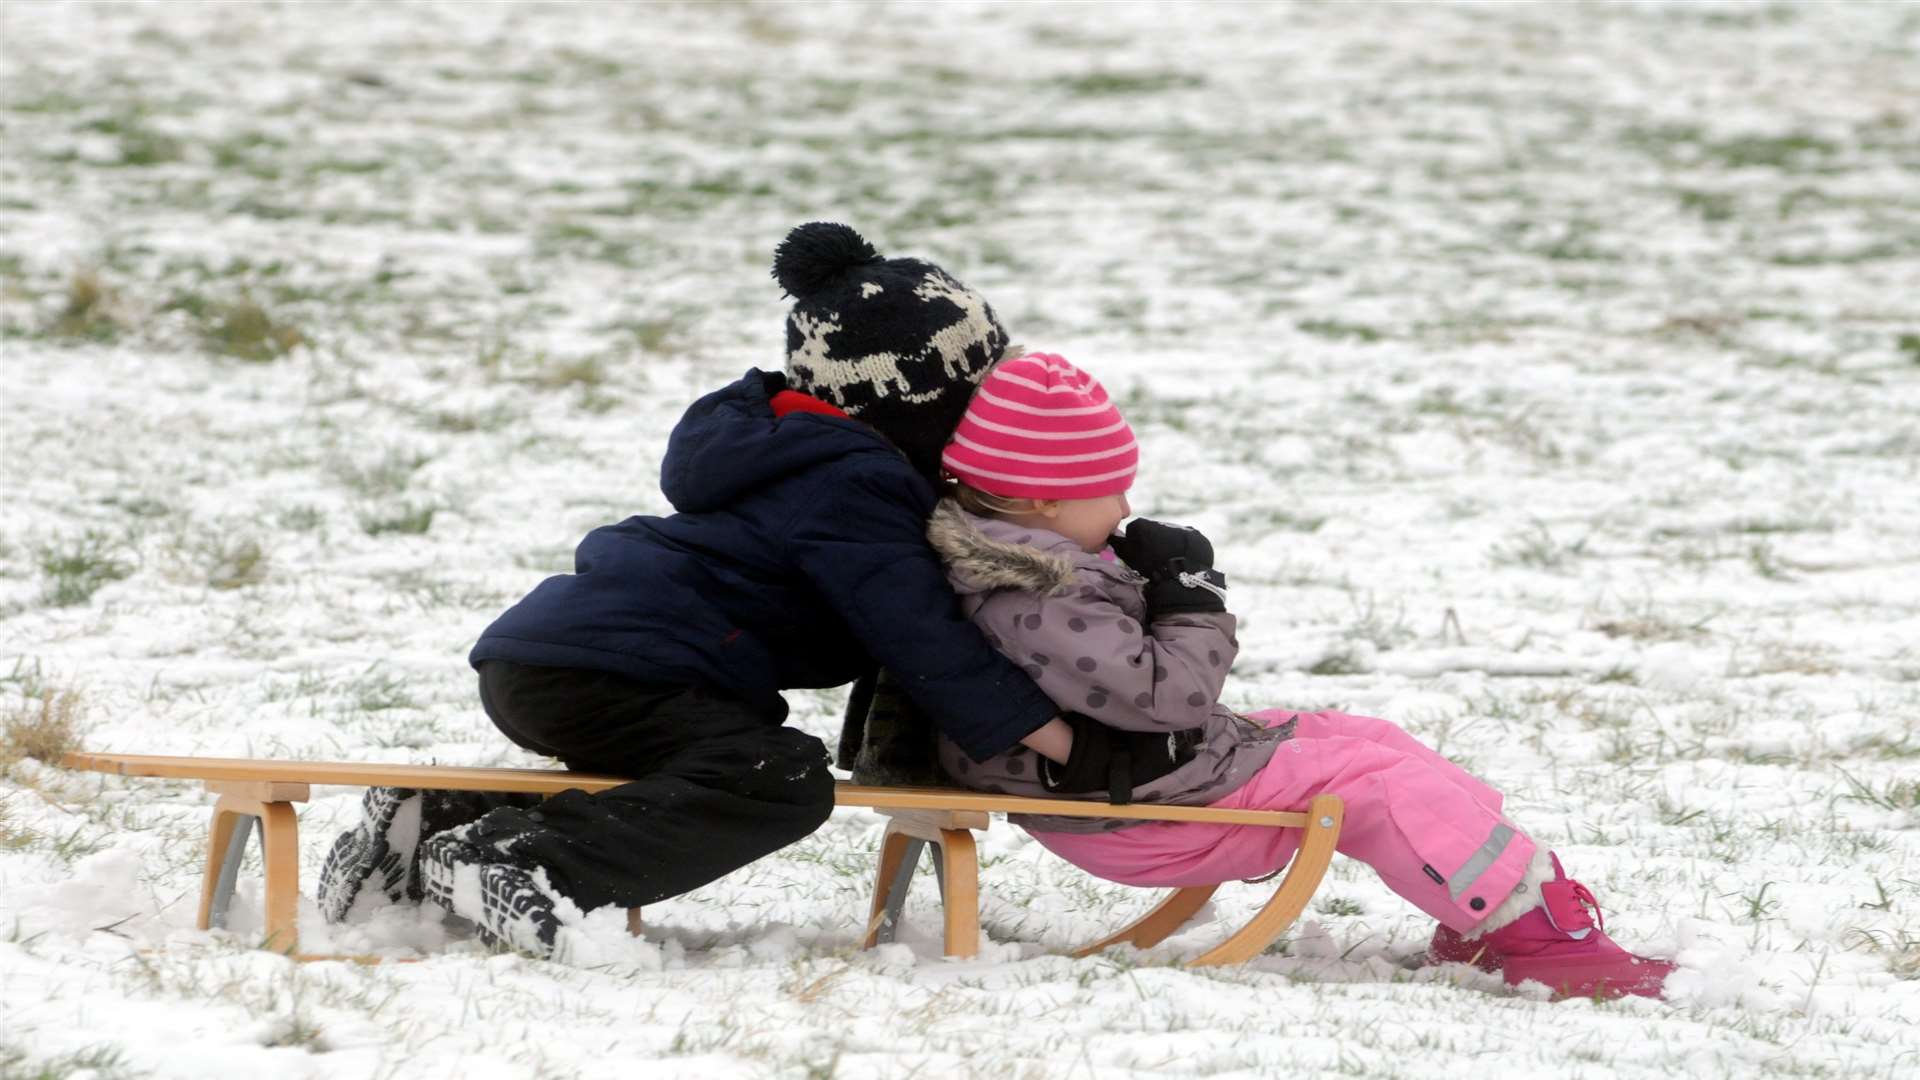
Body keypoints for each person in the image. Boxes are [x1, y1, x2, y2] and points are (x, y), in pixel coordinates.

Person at [316, 223, 1076, 957]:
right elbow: (918, 634)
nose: (995, 423)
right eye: (982, 400)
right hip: (609, 669)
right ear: (920, 403)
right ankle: (527, 865)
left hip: (557, 657)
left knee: (704, 761)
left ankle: (434, 820)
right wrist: (1046, 734)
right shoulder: (853, 484)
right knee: (773, 781)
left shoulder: (795, 449)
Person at [923, 350, 1677, 1001]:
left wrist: (1140, 581)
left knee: (1367, 738)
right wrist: (1192, 599)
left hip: (1144, 781)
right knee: (1377, 783)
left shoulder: (1042, 566)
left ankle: (1499, 911)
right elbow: (1172, 695)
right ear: (1041, 501)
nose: (1125, 508)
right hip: (1138, 816)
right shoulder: (1035, 597)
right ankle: (1542, 939)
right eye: (1112, 491)